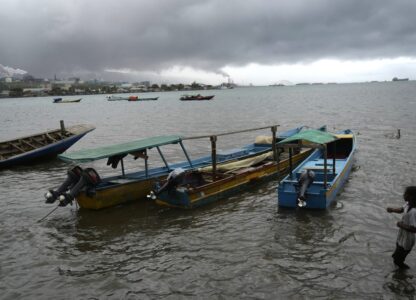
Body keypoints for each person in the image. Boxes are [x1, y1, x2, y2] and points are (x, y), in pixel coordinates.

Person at [387, 186, 416, 269]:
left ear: (411, 196)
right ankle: (400, 276)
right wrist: (392, 210)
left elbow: (414, 229)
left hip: (408, 238)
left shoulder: (414, 211)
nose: (403, 195)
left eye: (405, 194)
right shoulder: (408, 204)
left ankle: (406, 273)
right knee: (396, 255)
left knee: (398, 260)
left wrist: (401, 225)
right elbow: (402, 209)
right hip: (402, 235)